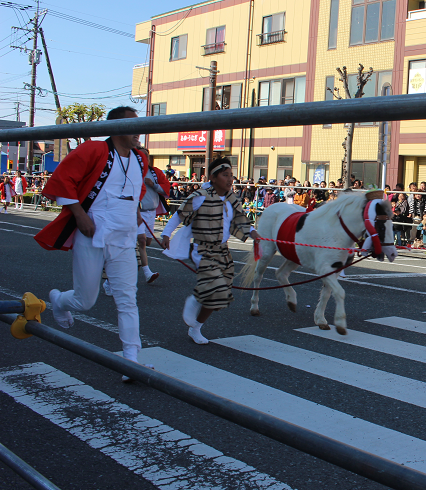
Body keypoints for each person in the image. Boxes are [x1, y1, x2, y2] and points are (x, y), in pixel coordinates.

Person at [35, 106, 150, 381]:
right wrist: (79, 214)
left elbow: (137, 189)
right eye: (134, 125)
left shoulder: (140, 158)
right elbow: (63, 179)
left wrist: (135, 212)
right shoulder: (94, 150)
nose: (139, 132)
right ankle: (59, 300)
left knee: (127, 299)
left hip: (123, 236)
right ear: (118, 127)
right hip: (93, 232)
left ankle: (131, 360)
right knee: (85, 300)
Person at [161, 158, 261, 344]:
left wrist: (254, 233)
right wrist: (166, 234)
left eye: (231, 175)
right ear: (213, 178)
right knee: (215, 289)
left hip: (223, 251)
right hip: (203, 249)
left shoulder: (232, 198)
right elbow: (179, 213)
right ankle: (195, 299)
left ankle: (196, 327)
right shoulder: (201, 195)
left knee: (221, 295)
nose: (230, 179)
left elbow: (240, 220)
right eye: (225, 175)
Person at [135, 148, 171, 287]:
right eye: (142, 156)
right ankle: (147, 272)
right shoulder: (132, 172)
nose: (146, 158)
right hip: (138, 212)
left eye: (147, 156)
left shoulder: (155, 172)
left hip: (151, 212)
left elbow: (166, 188)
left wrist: (154, 185)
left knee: (147, 242)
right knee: (142, 241)